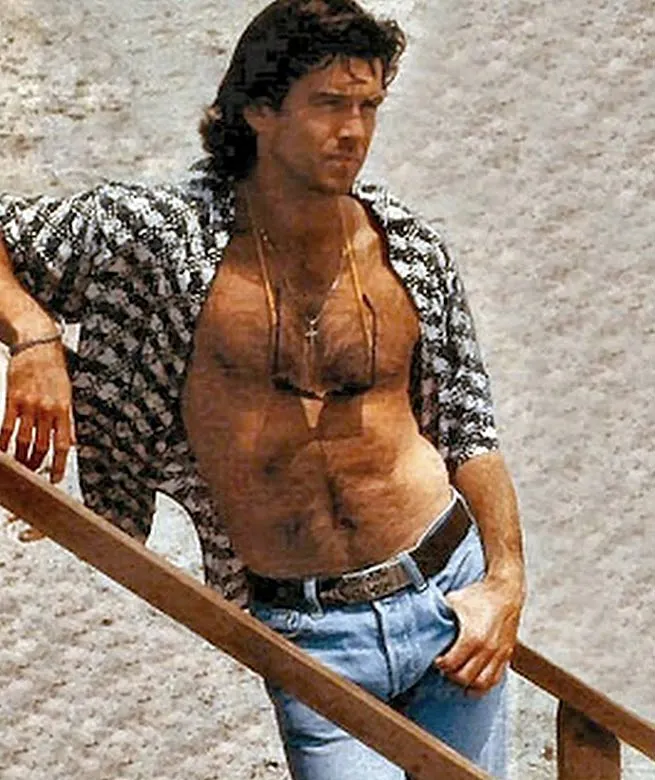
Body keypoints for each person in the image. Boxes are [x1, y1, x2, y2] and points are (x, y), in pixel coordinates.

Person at [0, 1, 526, 777]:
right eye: (328, 104)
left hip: (447, 594)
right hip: (309, 636)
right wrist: (35, 339)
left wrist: (503, 585)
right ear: (258, 110)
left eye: (368, 106)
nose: (353, 131)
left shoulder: (407, 251)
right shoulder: (160, 238)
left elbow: (468, 431)